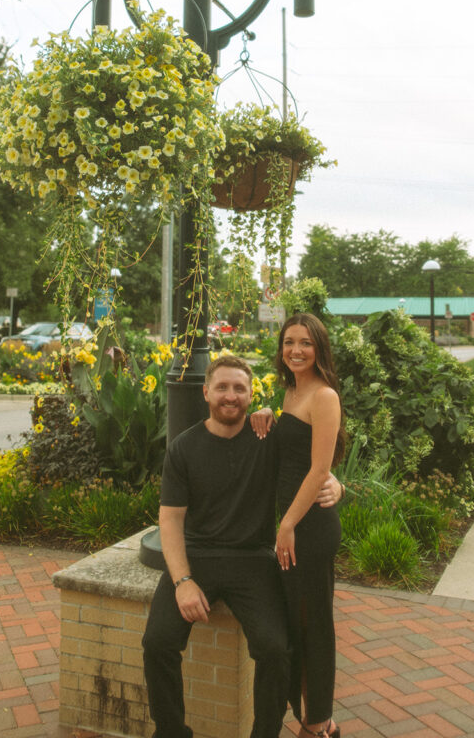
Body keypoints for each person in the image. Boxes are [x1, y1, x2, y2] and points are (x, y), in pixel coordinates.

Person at [142, 353, 343, 738]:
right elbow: (170, 520)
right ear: (205, 392)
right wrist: (182, 580)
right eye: (222, 387)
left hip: (253, 560)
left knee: (275, 650)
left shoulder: (266, 439)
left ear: (252, 395)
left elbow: (313, 466)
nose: (230, 396)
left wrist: (337, 484)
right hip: (196, 557)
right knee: (157, 643)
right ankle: (170, 732)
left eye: (239, 388)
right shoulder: (183, 448)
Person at [251, 314, 344, 738]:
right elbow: (290, 454)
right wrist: (266, 413)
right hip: (291, 524)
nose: (296, 350)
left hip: (309, 528)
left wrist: (286, 525)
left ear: (318, 347)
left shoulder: (324, 396)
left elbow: (320, 468)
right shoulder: (290, 391)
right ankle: (316, 717)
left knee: (314, 625)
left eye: (305, 343)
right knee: (297, 623)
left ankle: (319, 722)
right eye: (289, 342)